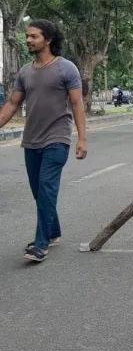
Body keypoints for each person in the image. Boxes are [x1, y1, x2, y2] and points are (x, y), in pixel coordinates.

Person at [0, 19, 88, 262]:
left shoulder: (66, 68)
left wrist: (82, 139)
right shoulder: (25, 72)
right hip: (31, 140)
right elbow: (12, 104)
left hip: (57, 138)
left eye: (34, 36)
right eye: (27, 36)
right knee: (40, 192)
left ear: (47, 40)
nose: (28, 40)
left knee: (47, 188)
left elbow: (77, 103)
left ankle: (40, 245)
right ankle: (53, 232)